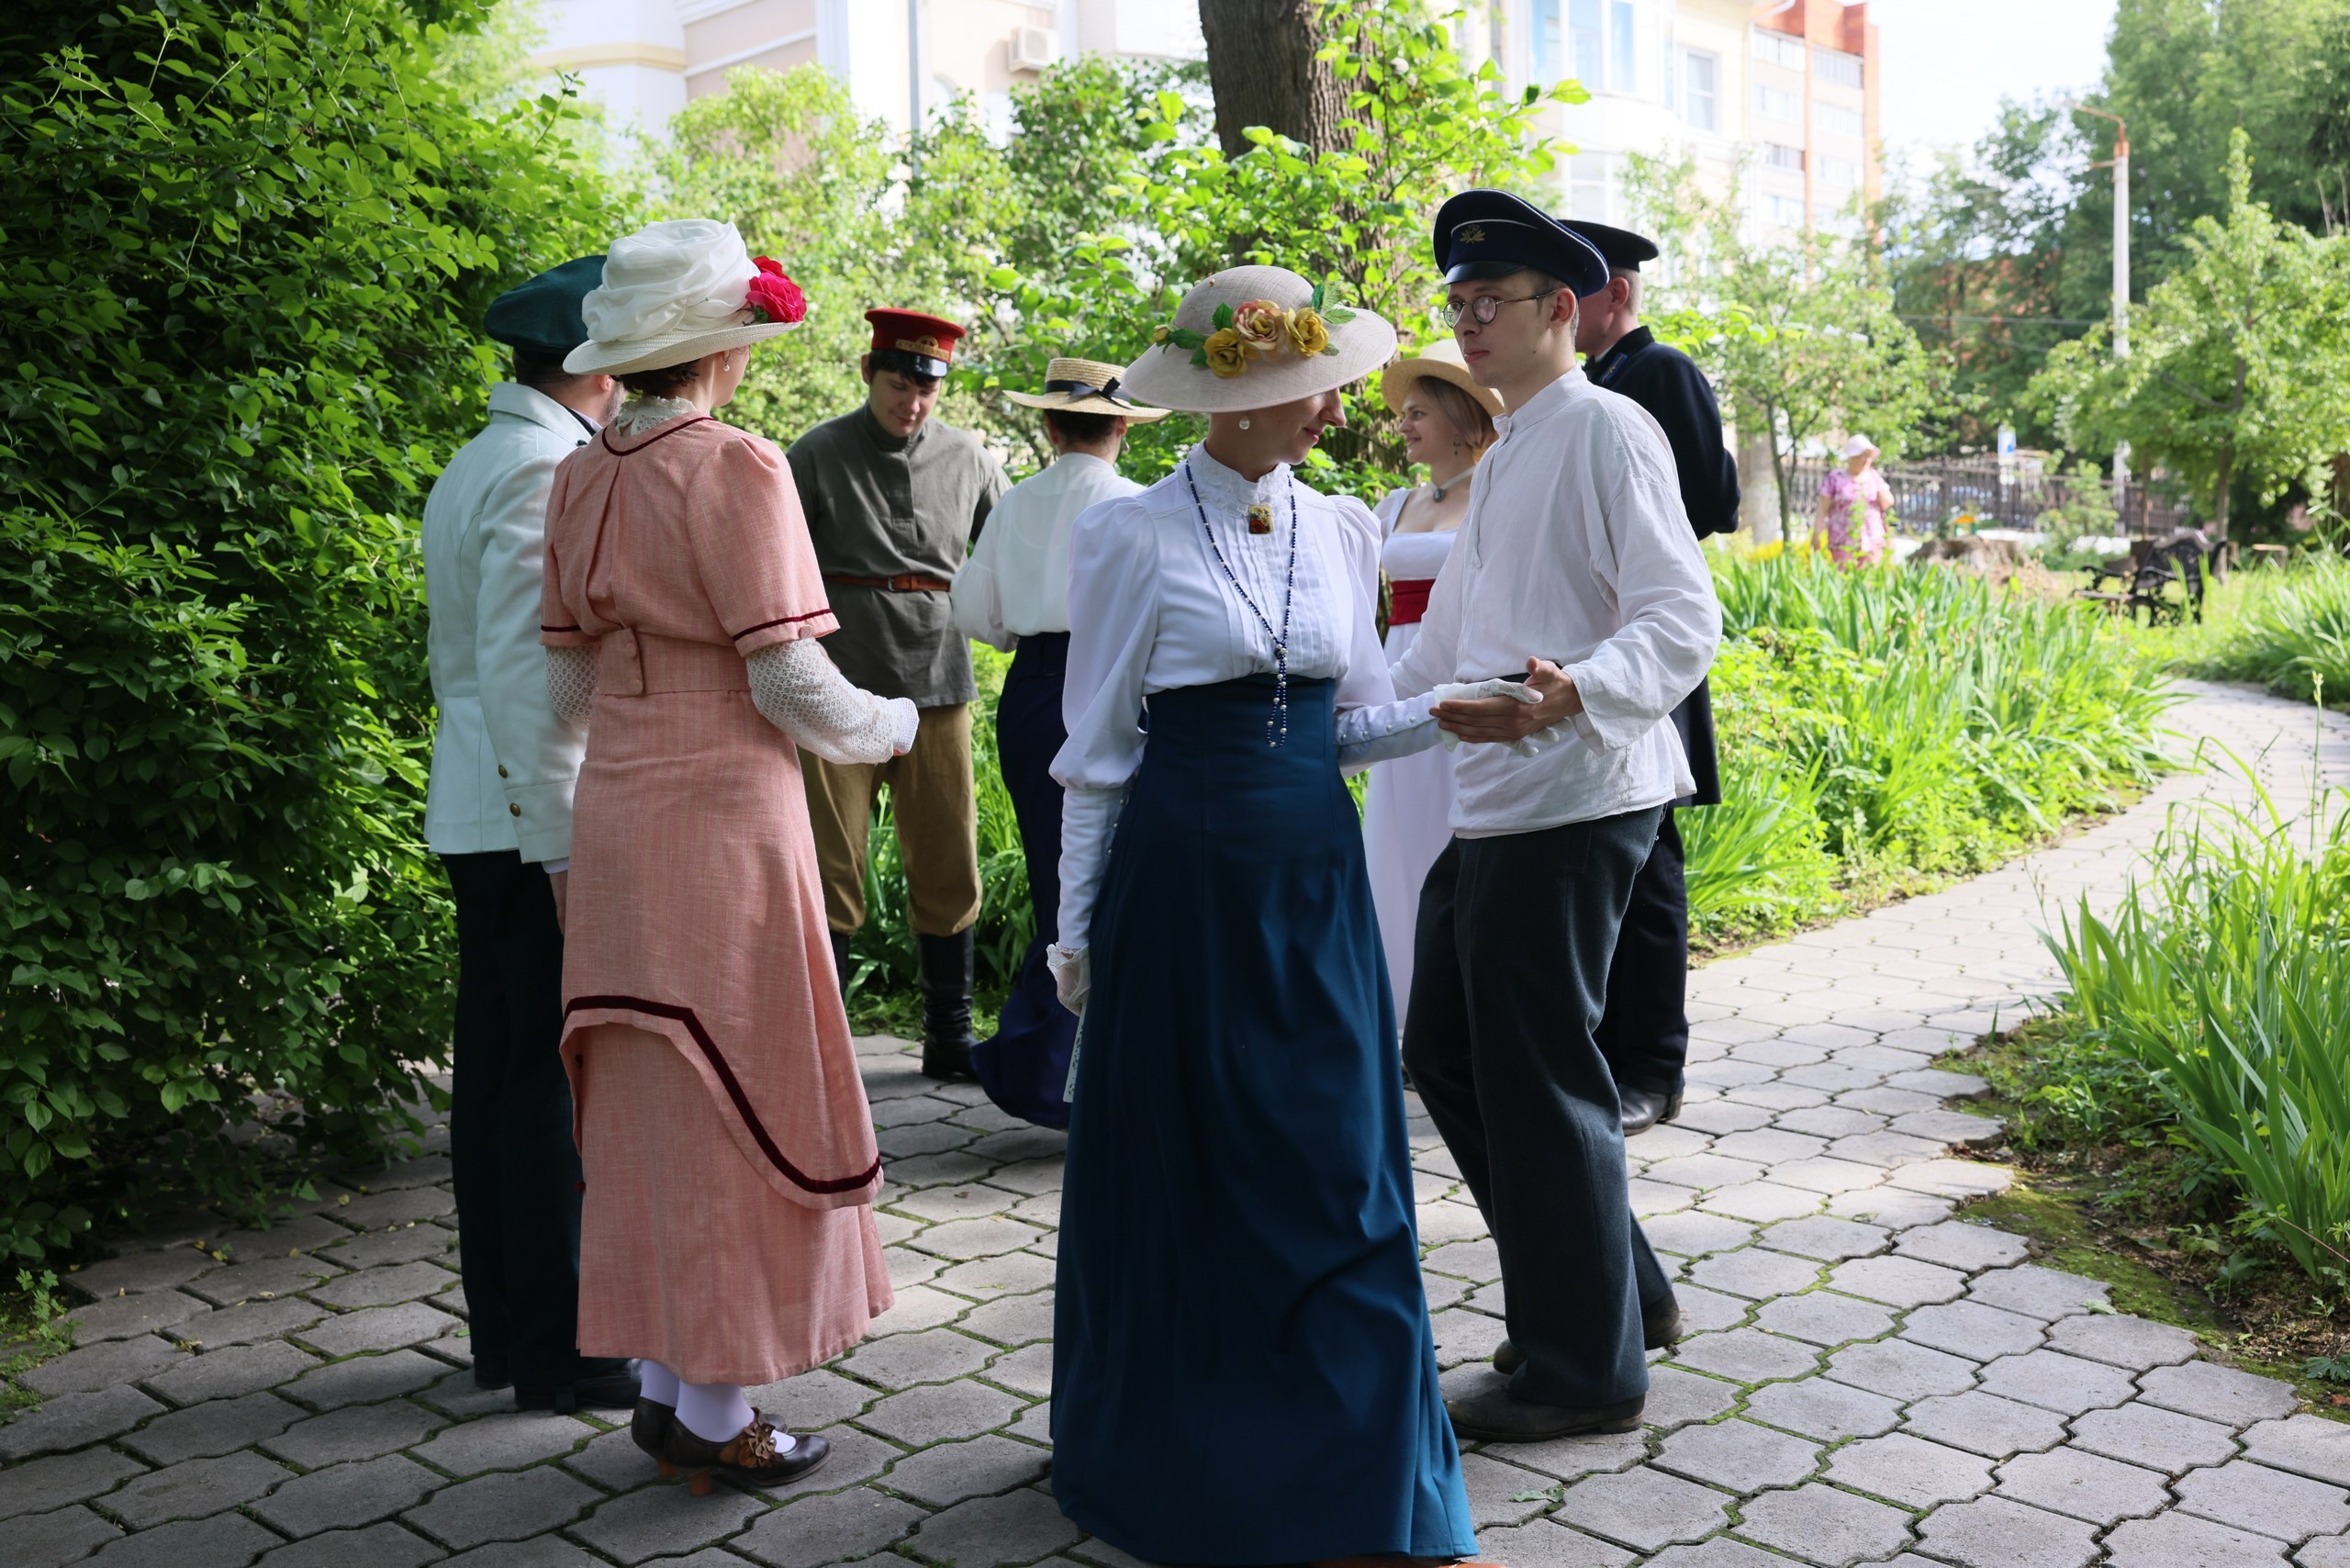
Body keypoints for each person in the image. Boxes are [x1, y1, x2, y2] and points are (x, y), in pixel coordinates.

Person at [1044, 266, 1529, 1561]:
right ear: (1237, 400)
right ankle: (1189, 1449)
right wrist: (1077, 935)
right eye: (1307, 388)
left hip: (1316, 884)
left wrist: (1454, 707)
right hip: (1182, 892)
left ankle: (1359, 1469)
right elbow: (1096, 755)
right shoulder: (1129, 533)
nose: (1332, 407)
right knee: (1196, 1171)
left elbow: (1355, 721)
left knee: (1338, 1171)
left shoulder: (1345, 530)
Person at [542, 218, 914, 1492]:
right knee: (734, 1091)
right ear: (721, 352)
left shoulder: (582, 470)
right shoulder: (736, 467)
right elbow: (791, 683)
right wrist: (902, 724)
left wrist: (608, 778)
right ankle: (712, 1410)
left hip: (622, 815)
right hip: (722, 817)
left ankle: (666, 1383)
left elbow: (565, 688)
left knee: (654, 1092)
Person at [1395, 190, 1722, 1441]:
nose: (1470, 319)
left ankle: (1583, 1370)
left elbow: (1681, 617)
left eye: (1495, 301)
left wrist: (1570, 697)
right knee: (1455, 1055)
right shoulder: (1518, 438)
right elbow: (1446, 636)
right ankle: (1622, 1296)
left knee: (1534, 1076)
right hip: (1497, 800)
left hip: (1575, 795)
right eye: (1459, 303)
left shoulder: (1605, 428)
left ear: (1562, 311)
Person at [421, 256, 634, 1415]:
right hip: (519, 819)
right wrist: (560, 842)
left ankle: (513, 1334)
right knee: (543, 1086)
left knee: (504, 1085)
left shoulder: (491, 454)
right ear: (593, 364)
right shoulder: (540, 469)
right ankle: (563, 1346)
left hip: (487, 806)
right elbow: (521, 665)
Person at [787, 310, 1009, 1081]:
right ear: (868, 371)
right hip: (837, 678)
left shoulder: (969, 457)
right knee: (830, 860)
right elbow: (776, 561)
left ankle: (948, 1035)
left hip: (939, 680)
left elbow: (1012, 547)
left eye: (925, 388)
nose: (911, 401)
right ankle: (826, 1045)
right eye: (898, 383)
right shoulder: (815, 453)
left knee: (947, 855)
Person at [950, 358, 1167, 1129]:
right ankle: (1093, 1075)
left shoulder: (1014, 506)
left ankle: (1055, 1070)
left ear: (1048, 424)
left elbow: (983, 618)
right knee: (1124, 880)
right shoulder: (1141, 506)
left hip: (1039, 691)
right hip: (1117, 682)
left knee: (1059, 881)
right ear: (1122, 429)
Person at [1565, 218, 1743, 1137]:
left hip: (1647, 638)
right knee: (1612, 860)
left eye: (1575, 287)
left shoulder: (1658, 373)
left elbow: (1714, 502)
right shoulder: (1581, 387)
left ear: (1616, 295)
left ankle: (1654, 1067)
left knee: (1649, 862)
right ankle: (1605, 1047)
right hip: (1591, 644)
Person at [1365, 340, 1501, 1025]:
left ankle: (1467, 1016)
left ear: (1459, 415)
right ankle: (1405, 1012)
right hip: (1401, 668)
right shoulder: (1393, 505)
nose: (1404, 424)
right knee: (1398, 837)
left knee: (1462, 834)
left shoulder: (1500, 494)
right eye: (1405, 412)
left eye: (1419, 412)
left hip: (1470, 668)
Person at [1816, 433, 1894, 566]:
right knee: (1843, 578)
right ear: (1852, 457)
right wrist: (1816, 534)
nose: (1867, 460)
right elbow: (1822, 509)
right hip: (1842, 540)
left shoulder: (1873, 477)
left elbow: (1889, 502)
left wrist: (1883, 495)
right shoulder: (1835, 478)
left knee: (1870, 580)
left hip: (1871, 539)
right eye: (1863, 455)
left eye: (1869, 456)